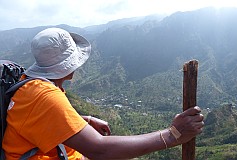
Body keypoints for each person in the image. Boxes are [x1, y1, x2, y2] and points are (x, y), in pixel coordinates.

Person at [2, 28, 204, 160]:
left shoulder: (28, 84)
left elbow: (37, 119)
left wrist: (83, 121)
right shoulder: (44, 95)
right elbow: (100, 150)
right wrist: (173, 135)